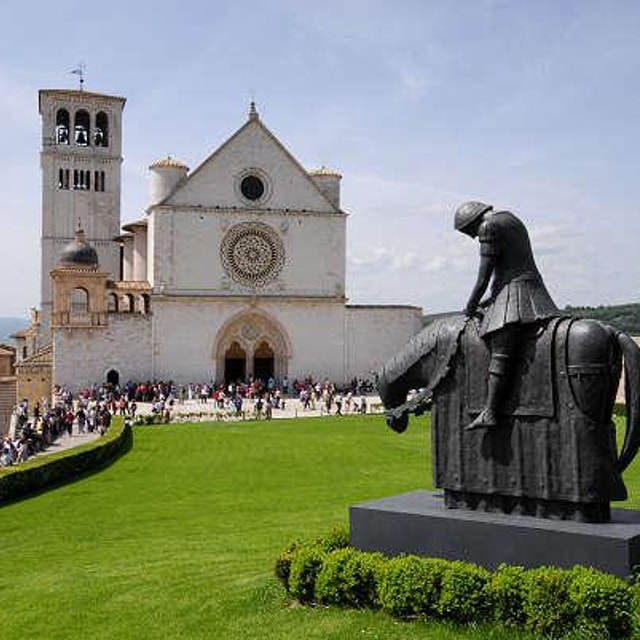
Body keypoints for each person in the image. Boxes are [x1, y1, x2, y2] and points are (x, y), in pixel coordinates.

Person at [455, 201, 560, 430]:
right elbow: (508, 269)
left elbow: (484, 276)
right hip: (529, 289)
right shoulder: (510, 218)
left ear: (473, 222)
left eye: (469, 232)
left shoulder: (488, 226)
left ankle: (490, 411)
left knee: (500, 349)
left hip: (517, 294)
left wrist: (470, 307)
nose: (473, 237)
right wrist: (490, 301)